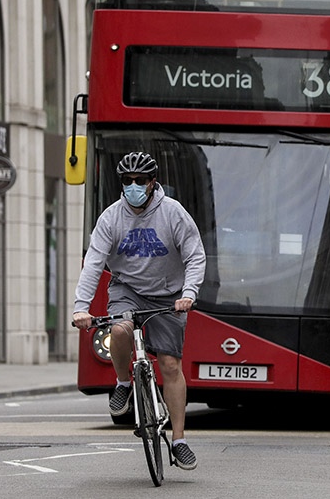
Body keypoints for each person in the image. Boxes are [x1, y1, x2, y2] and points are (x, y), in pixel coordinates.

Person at [71, 151, 206, 471]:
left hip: (169, 294)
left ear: (152, 183)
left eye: (140, 181)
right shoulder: (110, 218)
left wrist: (188, 294)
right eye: (127, 181)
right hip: (127, 289)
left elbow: (195, 256)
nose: (133, 186)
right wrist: (81, 307)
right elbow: (93, 264)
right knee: (118, 329)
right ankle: (122, 384)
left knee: (171, 365)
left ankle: (179, 439)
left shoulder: (173, 213)